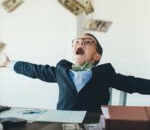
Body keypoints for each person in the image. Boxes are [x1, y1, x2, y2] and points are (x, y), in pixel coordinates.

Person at [1, 33, 150, 112]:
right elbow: (35, 70)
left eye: (87, 42)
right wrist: (8, 63)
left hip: (92, 122)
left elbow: (133, 83)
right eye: (77, 41)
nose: (80, 43)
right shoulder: (61, 71)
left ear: (96, 56)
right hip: (63, 121)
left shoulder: (105, 74)